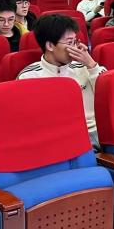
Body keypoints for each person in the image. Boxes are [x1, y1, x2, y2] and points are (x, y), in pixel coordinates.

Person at [18, 14, 106, 148]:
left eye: (75, 42)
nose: (75, 48)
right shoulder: (29, 76)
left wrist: (92, 66)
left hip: (100, 131)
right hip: (65, 138)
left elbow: (110, 97)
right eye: (69, 43)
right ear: (50, 45)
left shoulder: (85, 66)